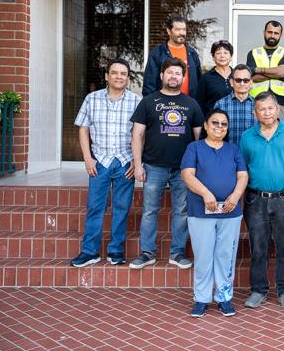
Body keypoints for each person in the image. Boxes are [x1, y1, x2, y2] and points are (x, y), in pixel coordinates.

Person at [239, 91, 284, 310]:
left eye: (270, 108)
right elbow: (242, 171)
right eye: (261, 109)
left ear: (277, 108)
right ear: (255, 113)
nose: (267, 112)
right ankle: (259, 290)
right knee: (258, 247)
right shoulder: (247, 137)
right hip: (255, 199)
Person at [129, 57, 205, 270]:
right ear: (161, 76)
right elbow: (137, 135)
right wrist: (138, 164)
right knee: (149, 210)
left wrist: (198, 167)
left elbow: (199, 138)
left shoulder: (191, 104)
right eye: (169, 73)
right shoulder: (148, 101)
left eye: (178, 73)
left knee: (181, 211)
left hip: (184, 169)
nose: (174, 76)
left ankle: (177, 253)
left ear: (183, 77)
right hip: (153, 166)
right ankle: (147, 252)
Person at [69, 58, 142, 267]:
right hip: (99, 161)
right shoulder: (92, 99)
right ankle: (90, 251)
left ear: (128, 78)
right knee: (95, 207)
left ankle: (115, 250)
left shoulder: (136, 101)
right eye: (115, 73)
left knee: (121, 207)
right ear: (107, 76)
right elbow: (83, 128)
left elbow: (141, 135)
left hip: (125, 162)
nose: (119, 77)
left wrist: (137, 162)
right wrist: (87, 157)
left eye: (123, 74)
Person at [181, 108, 249, 318]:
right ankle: (201, 299)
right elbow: (187, 175)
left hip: (230, 212)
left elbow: (243, 176)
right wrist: (206, 194)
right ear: (207, 125)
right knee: (203, 256)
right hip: (201, 211)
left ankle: (224, 298)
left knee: (225, 256)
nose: (219, 127)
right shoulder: (194, 148)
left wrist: (236, 196)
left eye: (223, 124)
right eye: (215, 122)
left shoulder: (234, 150)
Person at [142, 15, 202, 100]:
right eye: (178, 29)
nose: (182, 33)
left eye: (184, 29)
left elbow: (200, 82)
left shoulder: (192, 53)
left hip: (188, 105)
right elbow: (149, 84)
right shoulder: (157, 52)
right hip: (164, 105)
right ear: (169, 31)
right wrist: (151, 106)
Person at [247, 20, 284, 124]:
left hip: (280, 103)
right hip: (257, 103)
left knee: (282, 137)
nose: (272, 35)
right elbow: (251, 78)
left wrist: (256, 70)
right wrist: (276, 74)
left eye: (276, 33)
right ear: (264, 33)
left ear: (281, 35)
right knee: (257, 136)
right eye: (270, 32)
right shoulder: (253, 53)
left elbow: (281, 72)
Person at [214, 64, 258, 147]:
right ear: (231, 82)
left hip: (252, 156)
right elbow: (214, 133)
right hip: (227, 155)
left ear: (251, 83)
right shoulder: (220, 104)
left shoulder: (258, 105)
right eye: (238, 80)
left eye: (246, 80)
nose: (242, 83)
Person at [196, 40, 234, 118]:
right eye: (218, 53)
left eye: (226, 53)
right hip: (213, 123)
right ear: (213, 57)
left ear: (231, 56)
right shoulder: (206, 77)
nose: (222, 56)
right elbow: (200, 104)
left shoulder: (237, 76)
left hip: (234, 122)